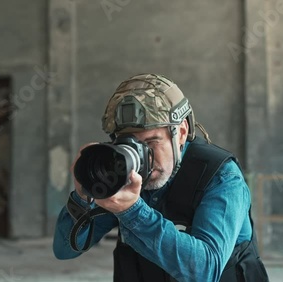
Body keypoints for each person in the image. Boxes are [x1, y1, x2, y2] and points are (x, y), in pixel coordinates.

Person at [53, 73, 269, 281]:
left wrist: (133, 211)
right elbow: (65, 250)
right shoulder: (123, 177)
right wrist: (83, 196)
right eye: (129, 144)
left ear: (181, 132)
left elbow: (204, 271)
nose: (142, 155)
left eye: (151, 142)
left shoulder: (221, 177)